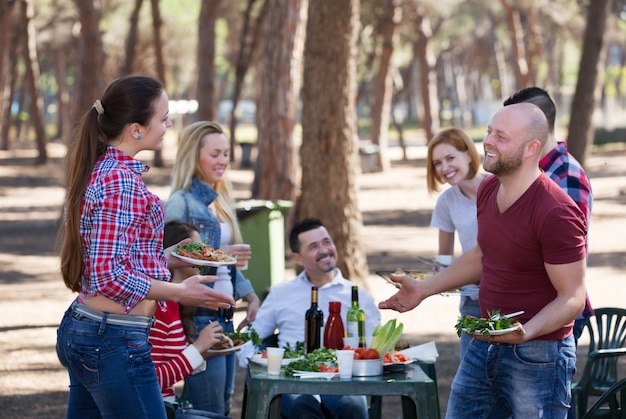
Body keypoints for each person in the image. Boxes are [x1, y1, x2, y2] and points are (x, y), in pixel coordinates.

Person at [380, 103, 587, 418]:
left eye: (501, 136)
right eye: (489, 131)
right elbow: (481, 253)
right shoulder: (489, 188)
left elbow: (573, 297)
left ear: (531, 148)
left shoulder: (556, 211)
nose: (488, 141)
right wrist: (425, 289)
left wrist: (526, 331)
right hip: (482, 340)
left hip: (538, 355)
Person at [56, 75, 235, 418]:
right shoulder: (120, 182)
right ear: (136, 129)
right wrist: (180, 292)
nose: (169, 124)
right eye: (164, 117)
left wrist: (164, 258)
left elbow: (107, 257)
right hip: (113, 341)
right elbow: (109, 275)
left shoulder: (102, 170)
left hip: (94, 331)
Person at [164, 121, 260, 416]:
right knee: (208, 410)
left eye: (226, 153)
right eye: (215, 154)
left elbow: (224, 265)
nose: (223, 161)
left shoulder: (218, 202)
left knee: (223, 404)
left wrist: (251, 295)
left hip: (225, 316)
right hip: (200, 318)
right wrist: (218, 254)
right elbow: (166, 259)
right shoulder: (180, 203)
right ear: (194, 156)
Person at [250, 218, 381, 419]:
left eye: (327, 242)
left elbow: (375, 347)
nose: (324, 250)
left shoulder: (358, 297)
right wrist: (258, 373)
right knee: (302, 406)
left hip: (343, 380)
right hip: (292, 380)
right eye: (313, 246)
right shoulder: (280, 293)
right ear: (298, 258)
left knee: (352, 406)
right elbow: (252, 338)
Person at [503, 86, 594, 343]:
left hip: (553, 315)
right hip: (528, 310)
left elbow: (564, 251)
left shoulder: (566, 177)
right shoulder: (530, 172)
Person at [150, 220, 231, 419]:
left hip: (168, 405)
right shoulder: (160, 306)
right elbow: (151, 380)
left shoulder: (174, 303)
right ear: (178, 254)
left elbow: (173, 364)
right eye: (197, 249)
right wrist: (197, 348)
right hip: (159, 409)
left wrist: (206, 351)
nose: (204, 255)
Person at [426, 127, 487, 360]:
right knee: (471, 379)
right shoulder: (447, 201)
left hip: (508, 298)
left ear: (469, 154)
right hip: (472, 300)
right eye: (437, 163)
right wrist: (439, 272)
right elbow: (444, 257)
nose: (444, 168)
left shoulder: (500, 189)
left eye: (450, 158)